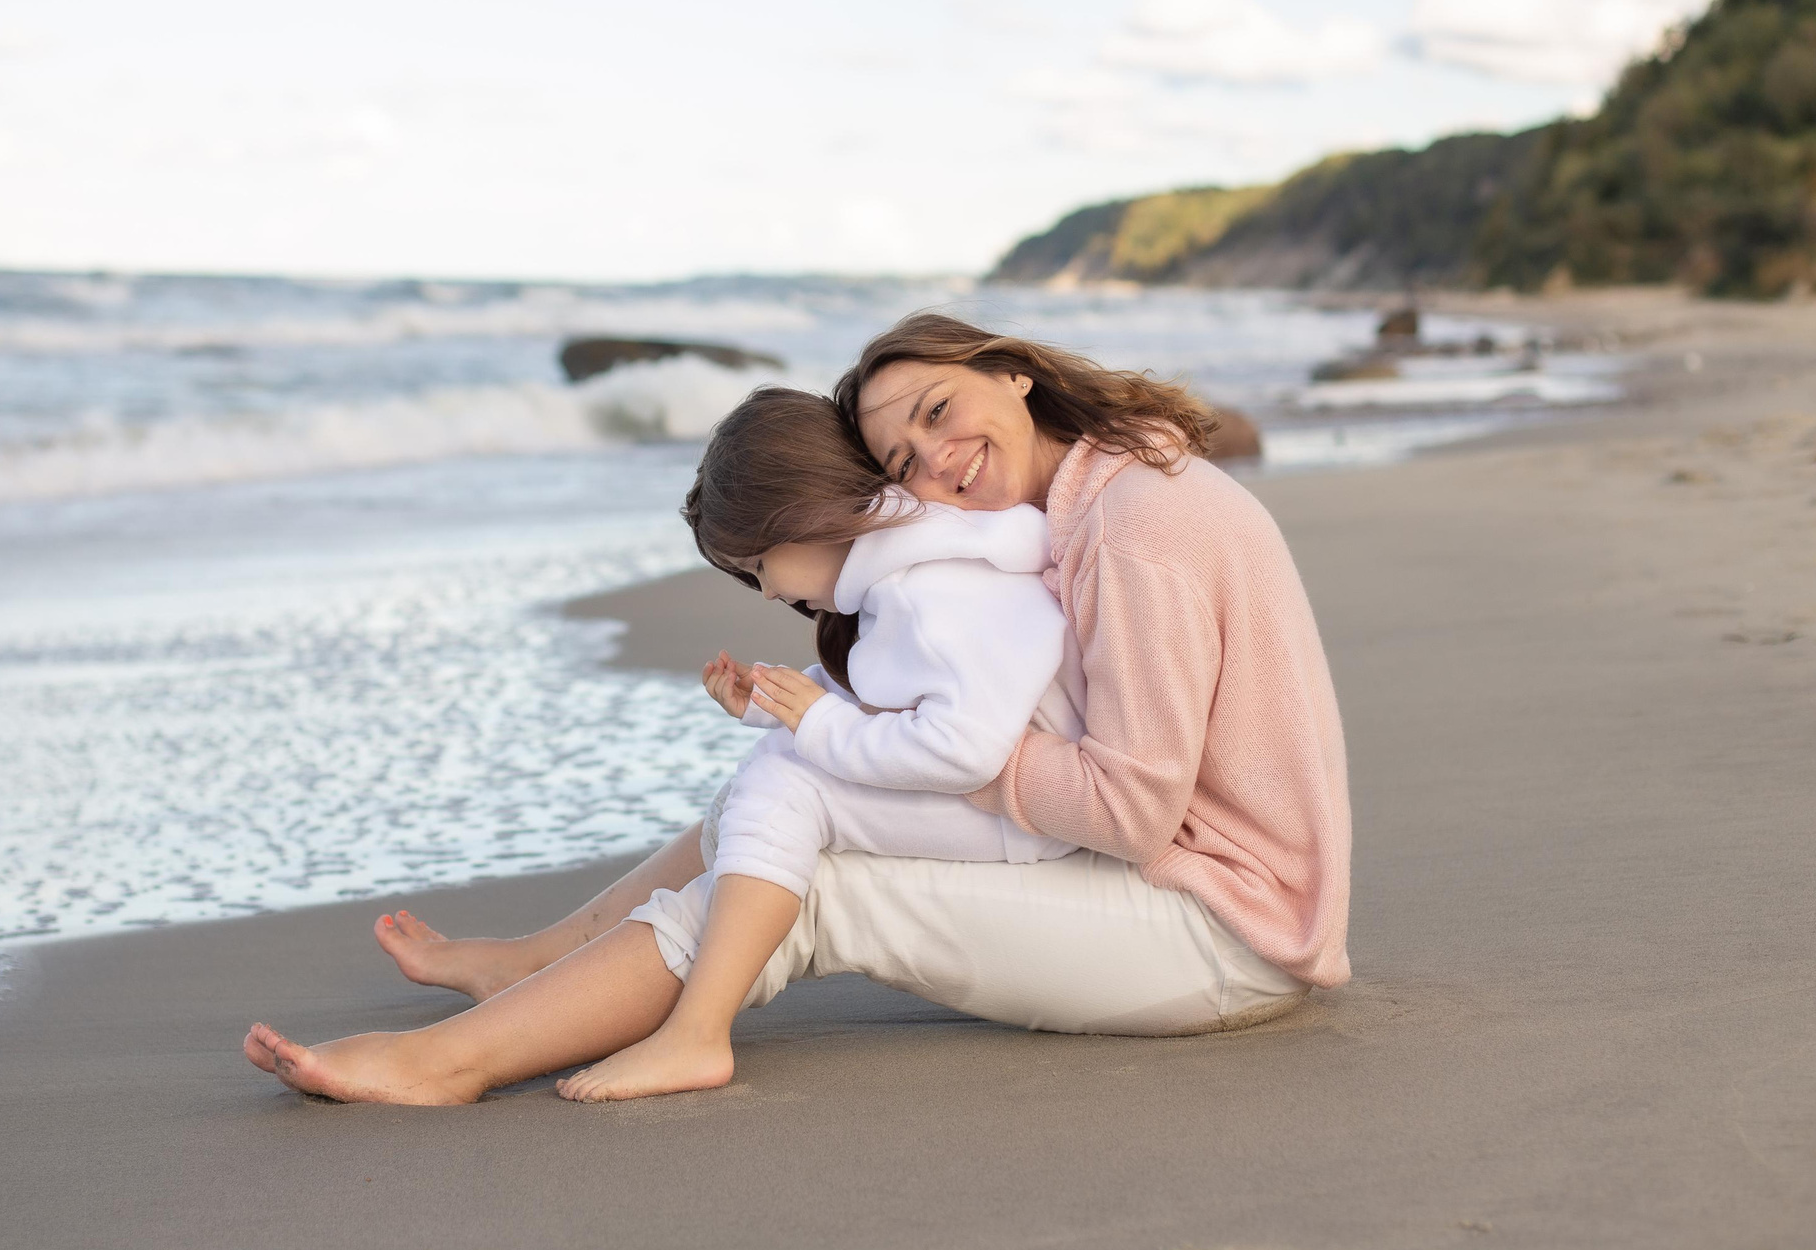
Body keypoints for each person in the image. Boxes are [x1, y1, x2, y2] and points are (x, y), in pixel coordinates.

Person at [243, 313, 1350, 1105]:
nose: (940, 462)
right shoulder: (1075, 502)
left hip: (1219, 927)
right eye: (904, 460)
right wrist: (846, 733)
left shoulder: (1131, 528)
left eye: (940, 410)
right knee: (781, 800)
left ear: (1011, 374)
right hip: (1178, 880)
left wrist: (896, 752)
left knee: (805, 878)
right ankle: (535, 965)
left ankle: (456, 1064)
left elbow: (1131, 812)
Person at [559, 386, 1081, 1101]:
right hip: (1016, 804)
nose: (768, 594)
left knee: (786, 782)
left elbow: (966, 749)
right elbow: (913, 691)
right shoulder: (919, 561)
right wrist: (784, 705)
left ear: (797, 519)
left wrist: (818, 725)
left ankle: (697, 1033)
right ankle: (610, 978)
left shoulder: (929, 593)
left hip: (1032, 820)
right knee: (779, 767)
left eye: (758, 570)